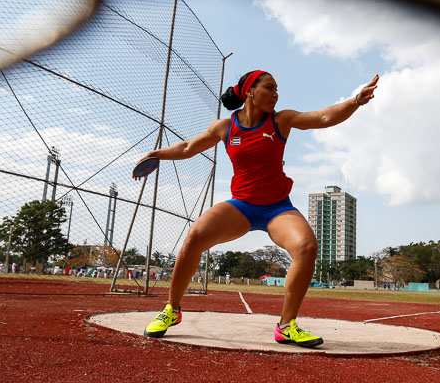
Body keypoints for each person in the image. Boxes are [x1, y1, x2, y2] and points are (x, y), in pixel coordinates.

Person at [140, 70, 378, 348]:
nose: (276, 94)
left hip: (277, 208)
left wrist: (356, 101)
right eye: (269, 88)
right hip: (241, 205)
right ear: (250, 91)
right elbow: (188, 148)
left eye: (277, 89)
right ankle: (172, 310)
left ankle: (286, 327)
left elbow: (324, 117)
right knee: (194, 237)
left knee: (306, 247)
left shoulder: (281, 120)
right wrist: (156, 155)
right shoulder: (224, 127)